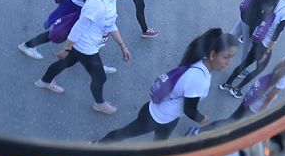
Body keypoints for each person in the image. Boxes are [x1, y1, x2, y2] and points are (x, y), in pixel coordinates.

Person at [99, 28, 238, 141]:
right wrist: (202, 119)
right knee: (125, 133)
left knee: (159, 146)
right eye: (226, 57)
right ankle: (98, 145)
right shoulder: (198, 78)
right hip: (155, 117)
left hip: (169, 118)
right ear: (213, 54)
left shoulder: (202, 65)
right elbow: (190, 109)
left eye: (232, 57)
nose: (229, 62)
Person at [34, 0, 131, 114]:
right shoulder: (98, 4)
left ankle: (44, 81)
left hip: (88, 44)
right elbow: (79, 27)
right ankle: (99, 104)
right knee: (100, 77)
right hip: (86, 47)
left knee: (66, 63)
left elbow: (111, 23)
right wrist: (66, 48)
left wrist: (122, 45)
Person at [193, 32, 285, 134]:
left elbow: (281, 73)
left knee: (232, 121)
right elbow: (271, 96)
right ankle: (199, 132)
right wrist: (262, 113)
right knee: (231, 123)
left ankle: (201, 132)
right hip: (257, 104)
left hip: (257, 91)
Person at [222, 0, 285, 98]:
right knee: (258, 69)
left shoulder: (282, 0)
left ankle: (226, 84)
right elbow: (278, 31)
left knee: (246, 62)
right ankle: (237, 89)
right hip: (265, 44)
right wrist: (268, 50)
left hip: (258, 36)